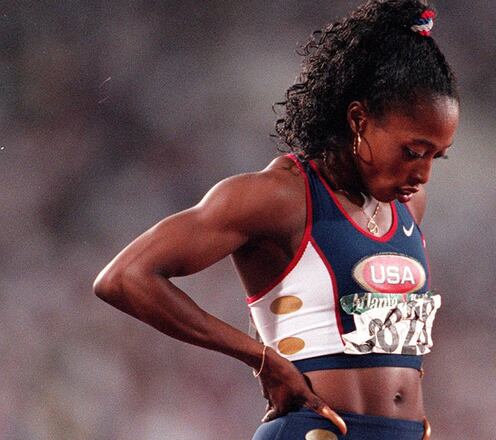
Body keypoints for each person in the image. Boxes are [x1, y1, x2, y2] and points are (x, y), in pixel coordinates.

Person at [93, 1, 459, 439]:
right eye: (413, 152)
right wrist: (260, 358)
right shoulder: (280, 197)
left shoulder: (408, 205)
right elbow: (124, 278)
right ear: (358, 120)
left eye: (436, 156)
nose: (423, 174)